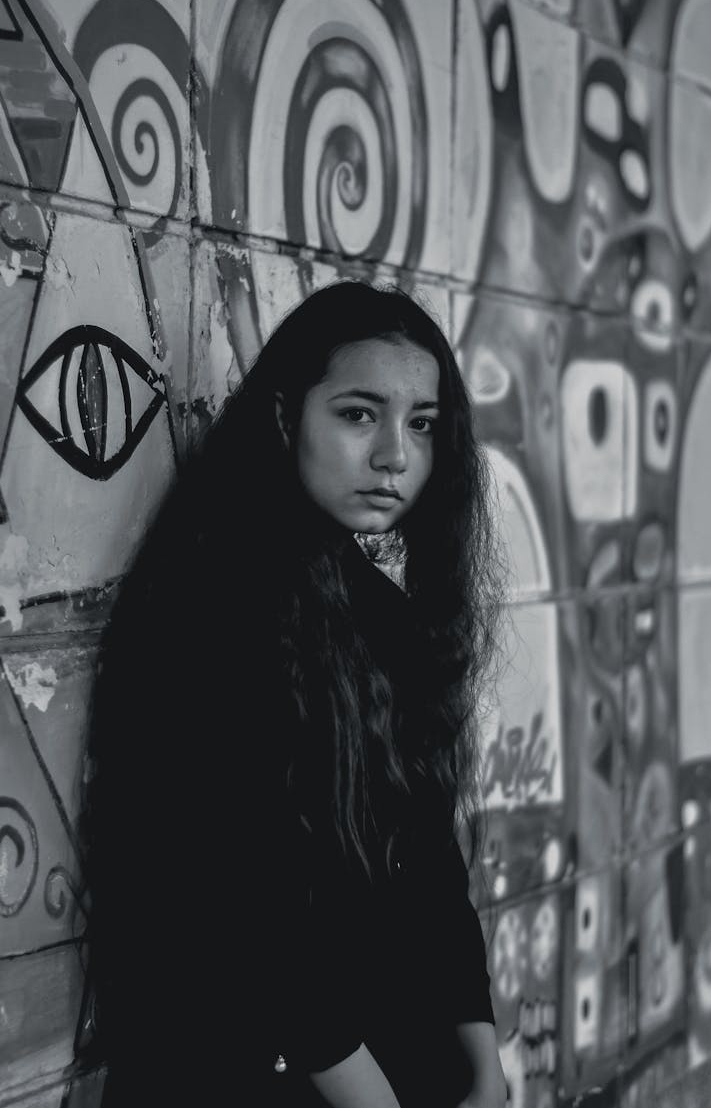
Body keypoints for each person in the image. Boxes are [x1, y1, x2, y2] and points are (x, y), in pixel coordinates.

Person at [79, 280, 507, 1108]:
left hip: (368, 1063)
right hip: (247, 1070)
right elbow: (254, 903)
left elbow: (426, 856)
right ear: (284, 418)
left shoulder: (374, 608)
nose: (396, 455)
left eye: (421, 423)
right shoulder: (211, 602)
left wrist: (479, 1044)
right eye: (358, 414)